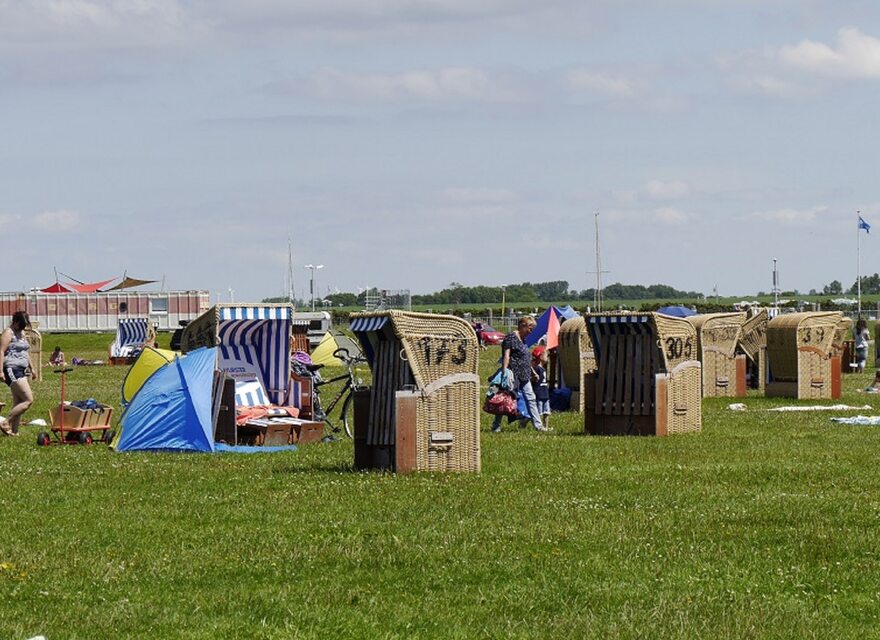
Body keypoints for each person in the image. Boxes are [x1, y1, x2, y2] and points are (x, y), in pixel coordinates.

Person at [491, 316, 550, 433]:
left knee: (531, 398)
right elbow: (506, 355)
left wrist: (532, 372)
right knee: (504, 399)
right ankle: (496, 425)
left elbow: (525, 358)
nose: (531, 332)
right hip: (513, 375)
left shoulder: (523, 339)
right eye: (530, 329)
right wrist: (504, 371)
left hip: (525, 375)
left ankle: (538, 426)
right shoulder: (511, 338)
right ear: (523, 325)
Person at [0, 311, 36, 436]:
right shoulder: (8, 333)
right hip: (11, 368)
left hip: (21, 369)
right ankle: (6, 422)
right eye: (20, 325)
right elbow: (1, 351)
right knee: (28, 400)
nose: (21, 328)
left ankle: (14, 431)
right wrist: (0, 371)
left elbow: (25, 352)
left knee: (19, 401)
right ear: (15, 321)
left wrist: (32, 368)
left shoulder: (22, 333)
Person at [532, 345, 551, 430]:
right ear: (540, 357)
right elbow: (533, 379)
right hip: (539, 393)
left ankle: (546, 426)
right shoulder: (536, 369)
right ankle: (539, 426)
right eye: (546, 355)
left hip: (545, 393)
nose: (548, 357)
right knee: (539, 411)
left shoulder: (543, 368)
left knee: (546, 411)